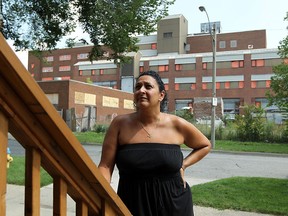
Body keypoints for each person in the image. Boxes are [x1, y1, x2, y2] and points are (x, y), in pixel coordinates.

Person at [98, 70, 211, 216]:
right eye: (138, 87)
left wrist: (183, 165)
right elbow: (106, 166)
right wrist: (100, 193)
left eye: (148, 87)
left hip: (174, 204)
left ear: (161, 95)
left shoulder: (176, 124)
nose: (141, 90)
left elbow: (205, 145)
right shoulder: (119, 124)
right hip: (132, 203)